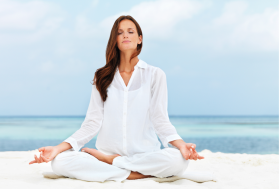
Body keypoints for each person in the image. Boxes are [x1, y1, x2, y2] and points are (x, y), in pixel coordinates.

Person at [29, 15, 204, 182]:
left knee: (179, 160)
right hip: (106, 153)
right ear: (115, 40)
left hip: (145, 155)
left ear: (140, 39)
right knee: (59, 161)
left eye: (130, 31)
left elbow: (160, 120)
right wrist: (58, 149)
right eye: (119, 32)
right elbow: (92, 123)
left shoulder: (155, 74)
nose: (125, 35)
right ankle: (135, 173)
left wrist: (181, 145)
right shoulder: (102, 76)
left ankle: (113, 163)